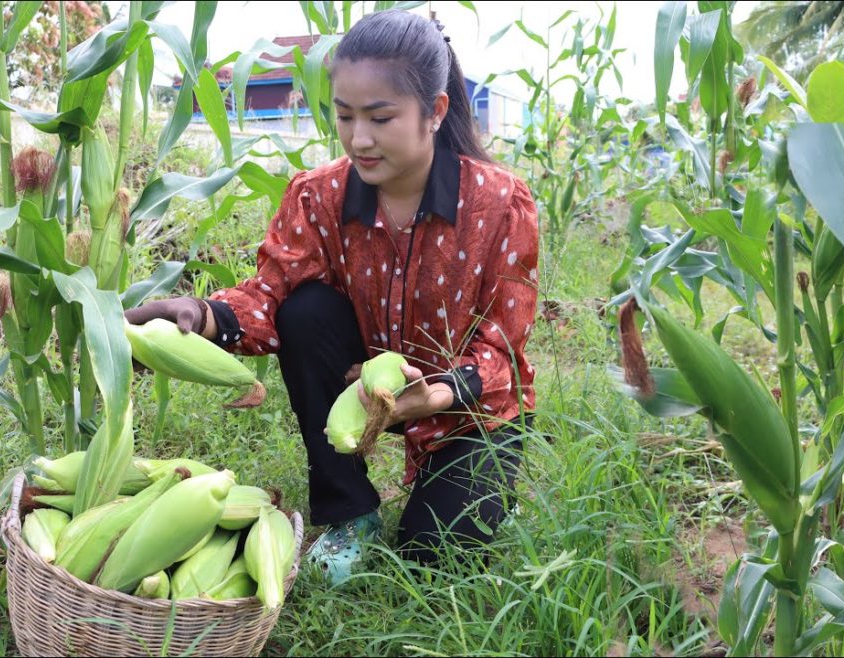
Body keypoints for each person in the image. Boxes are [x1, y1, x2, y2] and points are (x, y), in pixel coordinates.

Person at [125, 9, 539, 584]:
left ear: (435, 112)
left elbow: (505, 355)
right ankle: (350, 511)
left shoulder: (498, 204)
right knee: (305, 310)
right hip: (360, 385)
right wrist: (202, 315)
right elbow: (269, 298)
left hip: (467, 411)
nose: (359, 138)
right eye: (345, 116)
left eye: (381, 117)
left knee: (436, 559)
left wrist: (437, 394)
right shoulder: (318, 197)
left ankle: (483, 490)